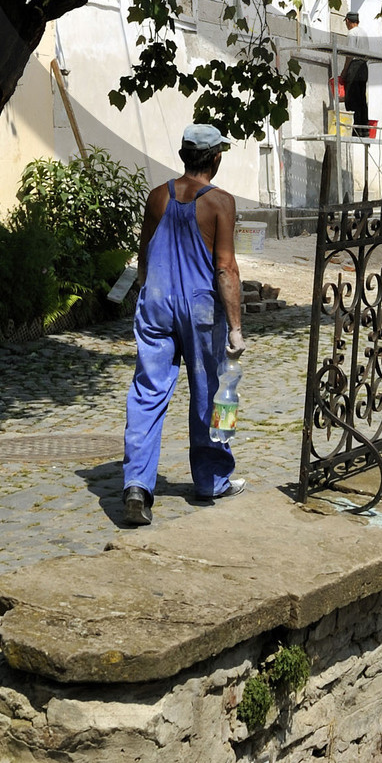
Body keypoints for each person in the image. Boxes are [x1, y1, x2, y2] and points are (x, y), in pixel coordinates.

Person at [120, 124, 245, 526]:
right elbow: (225, 268)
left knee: (147, 392)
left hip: (156, 303)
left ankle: (137, 485)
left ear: (183, 156)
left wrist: (146, 297)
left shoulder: (159, 196)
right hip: (201, 311)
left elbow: (144, 256)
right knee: (217, 392)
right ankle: (212, 479)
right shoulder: (220, 202)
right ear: (215, 159)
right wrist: (236, 327)